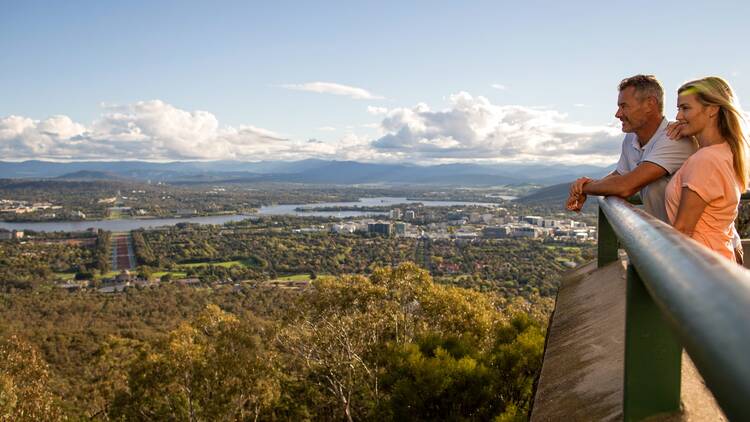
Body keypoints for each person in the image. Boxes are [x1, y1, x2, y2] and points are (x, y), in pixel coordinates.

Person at [567, 75, 697, 222]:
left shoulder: (674, 138)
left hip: (693, 242)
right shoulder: (631, 138)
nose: (618, 114)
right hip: (669, 237)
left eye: (624, 106)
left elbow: (625, 186)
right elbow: (620, 175)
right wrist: (589, 185)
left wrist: (585, 188)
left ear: (650, 104)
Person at [663, 76, 747, 261]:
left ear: (712, 109)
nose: (678, 117)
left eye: (685, 108)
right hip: (719, 260)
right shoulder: (725, 152)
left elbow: (683, 229)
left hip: (700, 264)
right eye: (678, 109)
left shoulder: (705, 160)